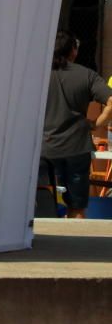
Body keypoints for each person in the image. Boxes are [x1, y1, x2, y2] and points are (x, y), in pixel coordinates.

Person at [43, 31, 112, 218]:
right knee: (77, 207)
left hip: (44, 148)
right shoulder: (87, 75)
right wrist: (97, 123)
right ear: (73, 51)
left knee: (41, 202)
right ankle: (74, 243)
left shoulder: (37, 75)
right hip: (77, 147)